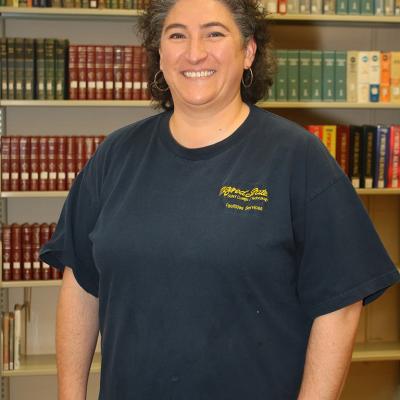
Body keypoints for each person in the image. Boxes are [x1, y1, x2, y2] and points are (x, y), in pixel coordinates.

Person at [39, 0, 400, 399]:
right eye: (177, 35)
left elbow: (340, 306)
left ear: (248, 52)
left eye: (214, 33)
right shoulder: (115, 155)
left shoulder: (298, 158)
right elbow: (80, 284)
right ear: (160, 53)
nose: (195, 52)